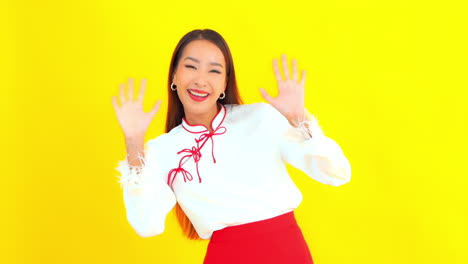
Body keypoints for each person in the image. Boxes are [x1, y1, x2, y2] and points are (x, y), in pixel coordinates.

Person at [111, 29, 351, 264]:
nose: (201, 80)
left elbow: (337, 173)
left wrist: (299, 118)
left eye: (214, 71)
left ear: (226, 82)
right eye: (191, 66)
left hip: (288, 253)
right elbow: (147, 224)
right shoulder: (161, 151)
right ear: (174, 75)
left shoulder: (261, 117)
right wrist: (134, 143)